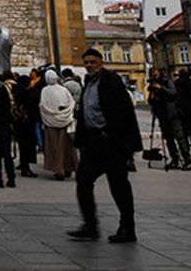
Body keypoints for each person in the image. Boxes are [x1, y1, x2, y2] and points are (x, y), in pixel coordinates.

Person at [67, 48, 141, 244]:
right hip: (93, 142)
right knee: (83, 180)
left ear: (101, 62)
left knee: (118, 185)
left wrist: (110, 131)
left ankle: (127, 227)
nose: (89, 65)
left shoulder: (111, 80)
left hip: (111, 142)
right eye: (86, 62)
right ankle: (90, 225)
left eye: (93, 61)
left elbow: (122, 109)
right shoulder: (88, 82)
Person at [146, 68, 191, 171]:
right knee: (168, 139)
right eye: (152, 76)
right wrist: (152, 98)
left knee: (179, 137)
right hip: (162, 115)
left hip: (172, 113)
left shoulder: (167, 81)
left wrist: (161, 88)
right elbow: (150, 101)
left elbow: (173, 94)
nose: (154, 77)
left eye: (155, 75)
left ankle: (187, 159)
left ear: (159, 74)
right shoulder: (152, 86)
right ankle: (174, 159)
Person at [39, 69, 77, 180]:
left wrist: (52, 113)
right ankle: (68, 166)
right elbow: (71, 103)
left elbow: (43, 105)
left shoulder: (45, 91)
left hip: (50, 122)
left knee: (54, 146)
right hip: (65, 120)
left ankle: (58, 169)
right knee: (66, 146)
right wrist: (65, 113)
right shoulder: (63, 90)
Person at [13, 71, 41, 178]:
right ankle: (26, 167)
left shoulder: (17, 92)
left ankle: (23, 164)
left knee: (22, 145)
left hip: (18, 122)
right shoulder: (27, 94)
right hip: (26, 123)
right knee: (27, 145)